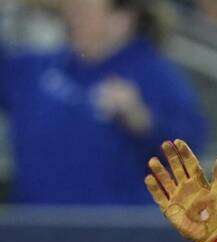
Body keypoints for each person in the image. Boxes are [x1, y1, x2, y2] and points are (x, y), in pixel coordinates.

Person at [0, 0, 206, 204]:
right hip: (31, 228)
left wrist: (143, 122)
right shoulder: (38, 69)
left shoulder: (155, 76)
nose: (73, 19)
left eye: (85, 11)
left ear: (122, 18)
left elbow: (189, 152)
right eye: (72, 10)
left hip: (111, 230)